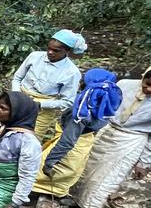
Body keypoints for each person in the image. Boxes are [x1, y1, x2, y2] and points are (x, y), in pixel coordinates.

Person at [72, 61, 151, 208]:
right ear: (143, 76)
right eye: (148, 84)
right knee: (87, 169)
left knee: (108, 178)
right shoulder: (124, 85)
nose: (150, 89)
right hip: (107, 129)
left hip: (131, 140)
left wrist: (145, 162)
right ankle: (78, 202)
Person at [33, 68, 122, 199]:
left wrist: (50, 161)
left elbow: (68, 141)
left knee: (37, 175)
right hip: (82, 147)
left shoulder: (83, 111)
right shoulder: (105, 105)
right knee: (61, 181)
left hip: (67, 149)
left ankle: (31, 204)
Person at [11, 29, 85, 141]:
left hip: (43, 111)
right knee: (9, 131)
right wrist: (16, 96)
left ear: (66, 51)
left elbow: (68, 101)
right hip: (20, 100)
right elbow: (17, 78)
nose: (50, 52)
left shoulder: (71, 72)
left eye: (56, 50)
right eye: (49, 48)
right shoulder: (34, 57)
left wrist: (39, 104)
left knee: (30, 139)